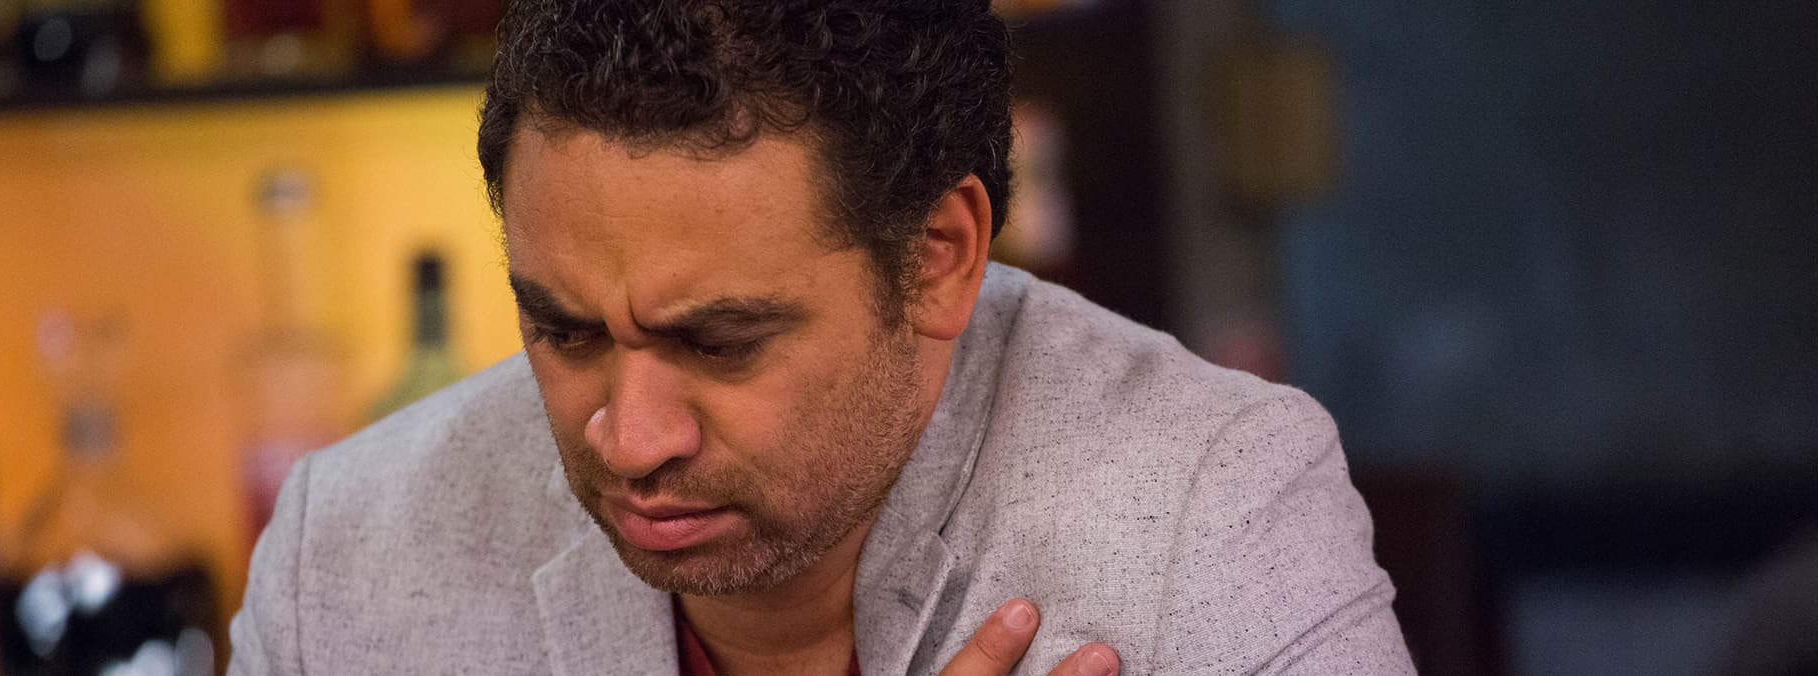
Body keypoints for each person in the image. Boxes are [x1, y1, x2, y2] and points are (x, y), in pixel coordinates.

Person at [227, 1, 1414, 673]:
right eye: (562, 328)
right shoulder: (352, 558)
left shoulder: (1211, 508)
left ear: (939, 256)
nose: (630, 437)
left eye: (720, 341)